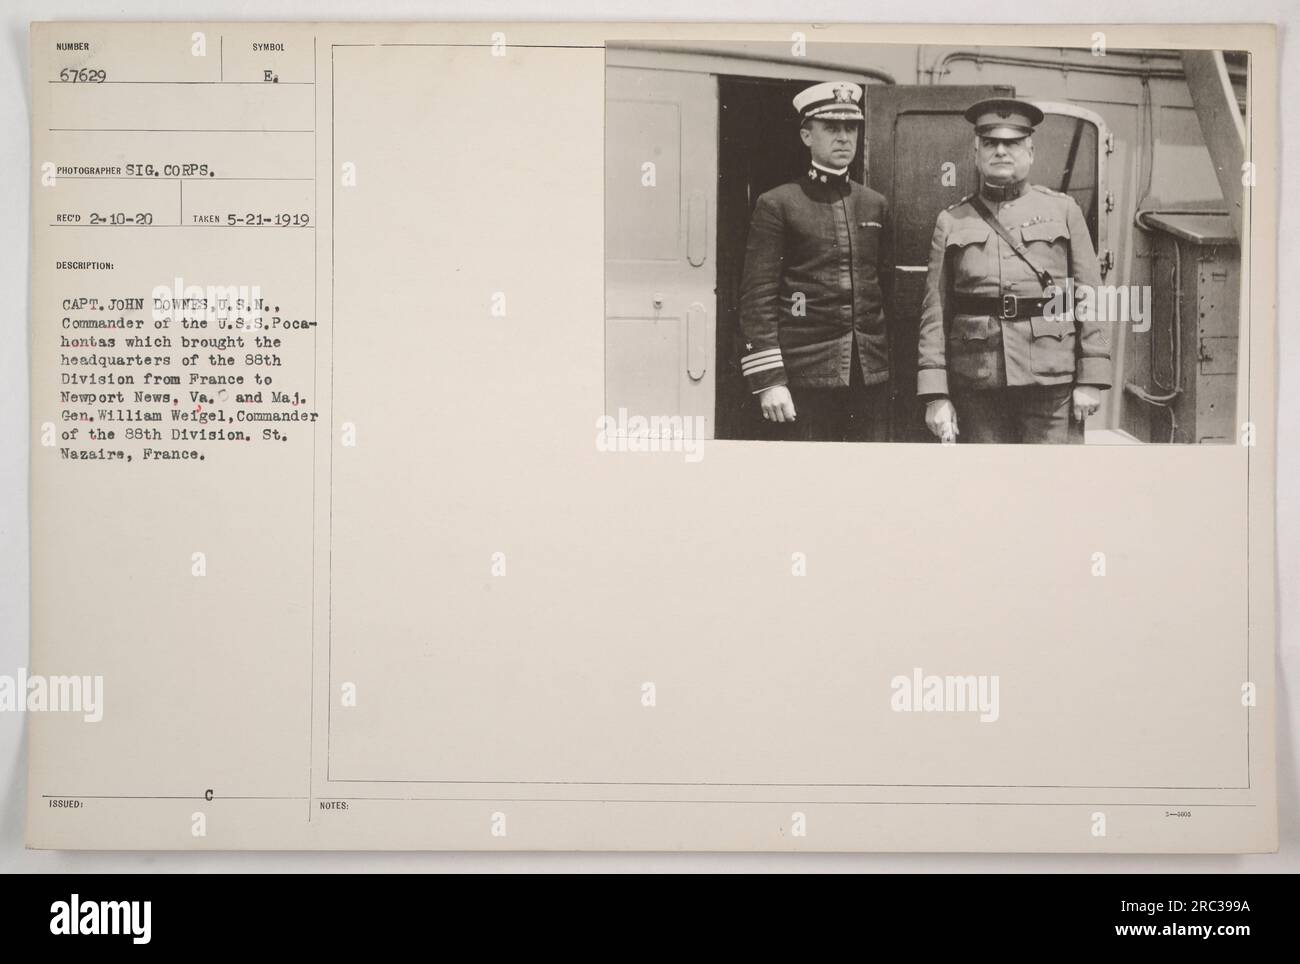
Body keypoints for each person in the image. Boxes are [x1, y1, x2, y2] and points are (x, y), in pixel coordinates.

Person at [917, 98, 1111, 443]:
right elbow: (935, 311)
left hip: (1052, 381)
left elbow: (1090, 297)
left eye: (1013, 143)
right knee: (988, 486)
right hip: (978, 380)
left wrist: (1091, 378)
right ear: (976, 154)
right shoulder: (951, 220)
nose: (1001, 151)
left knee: (1051, 483)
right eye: (991, 143)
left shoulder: (1063, 210)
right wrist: (936, 394)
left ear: (1031, 151)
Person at [738, 80, 891, 442]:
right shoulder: (779, 203)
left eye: (850, 127)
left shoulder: (874, 204)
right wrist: (769, 380)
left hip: (868, 377)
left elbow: (885, 290)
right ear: (807, 135)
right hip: (803, 378)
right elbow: (757, 299)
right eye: (831, 128)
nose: (843, 137)